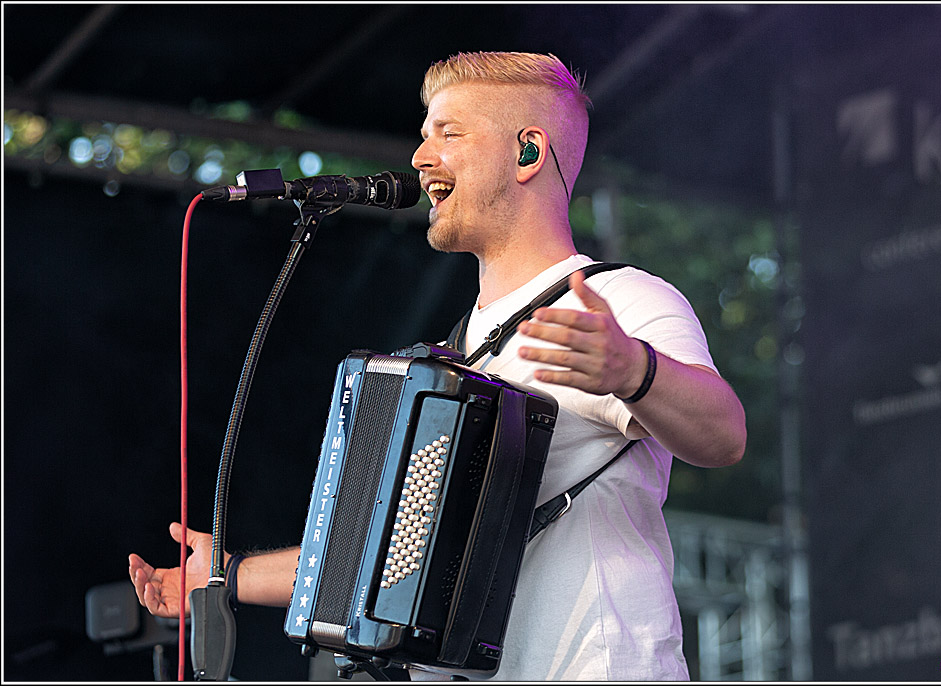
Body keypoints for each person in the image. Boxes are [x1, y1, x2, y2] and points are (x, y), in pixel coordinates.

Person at [129, 51, 746, 681]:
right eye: (424, 136)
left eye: (449, 134)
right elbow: (378, 552)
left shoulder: (620, 301)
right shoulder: (451, 357)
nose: (421, 158)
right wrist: (224, 575)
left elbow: (723, 435)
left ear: (528, 152)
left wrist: (634, 371)